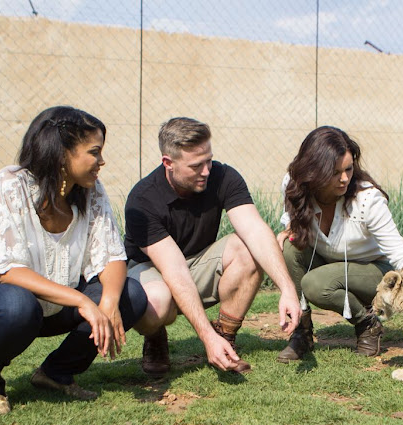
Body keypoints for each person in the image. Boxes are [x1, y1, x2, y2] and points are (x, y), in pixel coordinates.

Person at [0, 106, 147, 414]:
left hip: (53, 307)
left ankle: (55, 374)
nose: (101, 161)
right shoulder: (11, 183)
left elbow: (111, 254)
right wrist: (83, 302)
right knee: (18, 305)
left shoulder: (91, 192)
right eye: (94, 152)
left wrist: (108, 302)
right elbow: (7, 271)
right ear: (62, 154)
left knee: (130, 295)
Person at [124, 117, 301, 375]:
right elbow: (173, 270)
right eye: (196, 166)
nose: (206, 170)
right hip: (149, 270)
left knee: (249, 249)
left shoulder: (222, 176)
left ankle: (225, 338)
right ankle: (156, 337)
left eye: (208, 160)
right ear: (168, 163)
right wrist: (204, 337)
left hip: (196, 263)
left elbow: (255, 230)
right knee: (158, 304)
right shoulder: (143, 199)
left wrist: (287, 288)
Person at [275, 126, 403, 362]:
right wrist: (289, 227)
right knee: (290, 248)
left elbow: (398, 249)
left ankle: (367, 324)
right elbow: (293, 215)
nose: (345, 178)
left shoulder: (367, 199)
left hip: (373, 270)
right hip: (329, 262)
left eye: (348, 169)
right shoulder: (293, 184)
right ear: (313, 171)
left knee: (315, 284)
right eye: (335, 172)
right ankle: (301, 333)